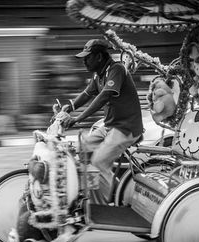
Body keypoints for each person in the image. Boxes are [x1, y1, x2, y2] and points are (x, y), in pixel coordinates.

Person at [61, 38, 144, 201]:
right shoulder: (98, 75)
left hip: (126, 128)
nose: (84, 61)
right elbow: (87, 94)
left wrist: (77, 119)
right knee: (82, 148)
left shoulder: (116, 70)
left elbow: (104, 96)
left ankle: (103, 203)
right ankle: (91, 190)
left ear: (99, 57)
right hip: (110, 127)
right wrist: (68, 107)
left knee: (99, 162)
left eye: (88, 57)